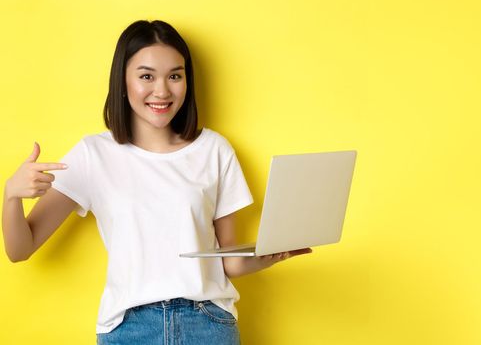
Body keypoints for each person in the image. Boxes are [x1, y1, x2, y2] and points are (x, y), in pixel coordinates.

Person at [1, 19, 311, 345]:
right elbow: (20, 249)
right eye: (146, 76)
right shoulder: (93, 154)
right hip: (129, 329)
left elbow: (229, 262)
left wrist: (267, 255)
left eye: (175, 76)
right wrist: (11, 195)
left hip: (208, 325)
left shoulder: (214, 150)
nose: (162, 91)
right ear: (122, 80)